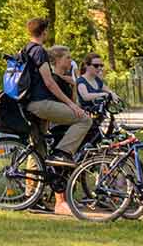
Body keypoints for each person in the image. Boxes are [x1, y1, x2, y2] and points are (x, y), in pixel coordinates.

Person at [21, 17, 93, 165]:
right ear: (44, 32)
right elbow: (49, 82)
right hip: (40, 103)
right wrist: (71, 105)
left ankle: (34, 188)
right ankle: (62, 153)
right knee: (85, 119)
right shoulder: (39, 51)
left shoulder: (25, 49)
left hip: (27, 103)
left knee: (38, 150)